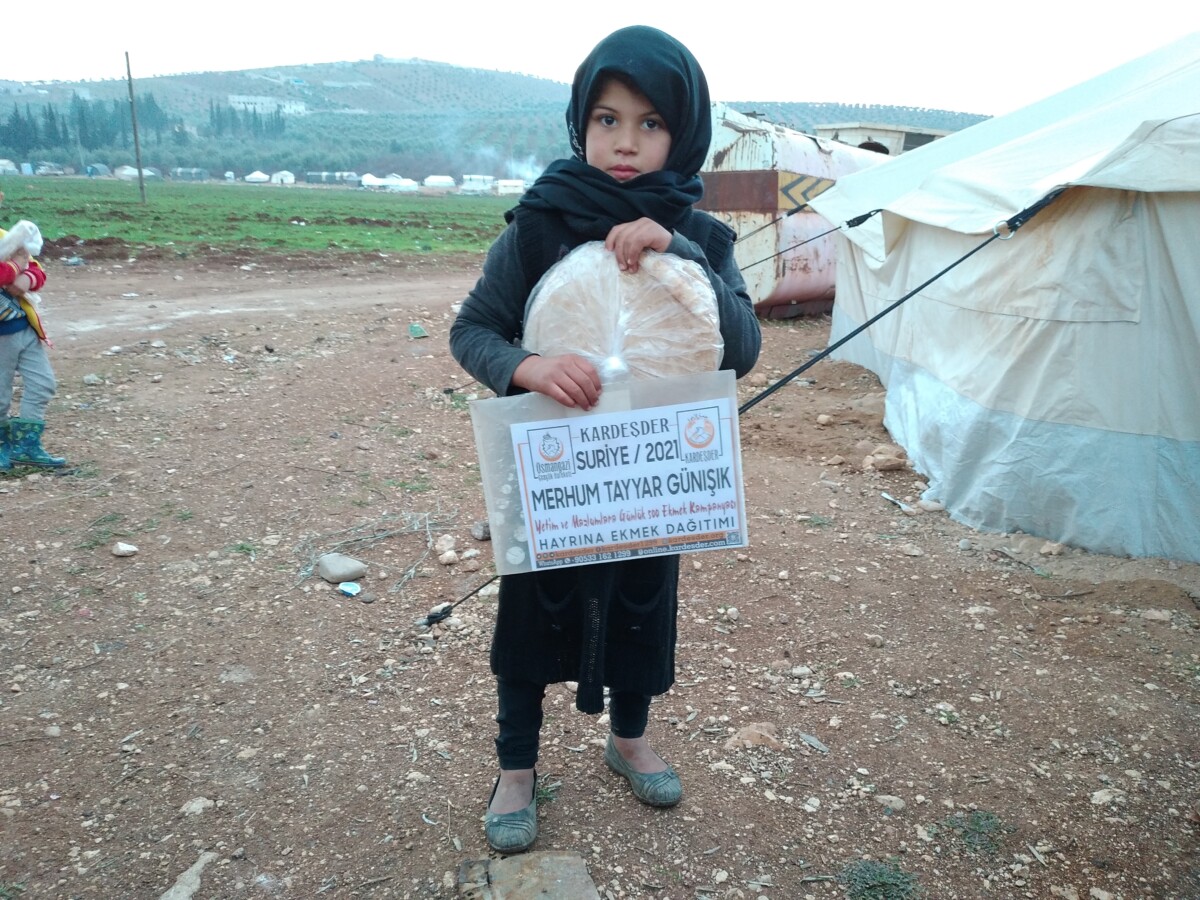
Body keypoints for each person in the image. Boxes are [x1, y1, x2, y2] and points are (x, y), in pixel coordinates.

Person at [449, 26, 761, 854]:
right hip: (552, 472)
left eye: (651, 123)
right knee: (529, 617)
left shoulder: (704, 236)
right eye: (608, 118)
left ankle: (630, 740)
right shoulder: (540, 227)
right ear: (579, 124)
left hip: (654, 475)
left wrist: (681, 252)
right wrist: (528, 366)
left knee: (641, 608)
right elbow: (474, 330)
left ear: (684, 133)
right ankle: (516, 767)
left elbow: (745, 347)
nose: (626, 141)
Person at [0, 192, 65, 470]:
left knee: (43, 384)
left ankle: (26, 446)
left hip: (23, 328)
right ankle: (3, 446)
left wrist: (27, 277)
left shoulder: (6, 236)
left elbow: (38, 268)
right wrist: (16, 265)